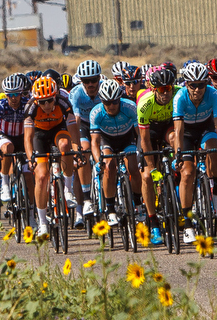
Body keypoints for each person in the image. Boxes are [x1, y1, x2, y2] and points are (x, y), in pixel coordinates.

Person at [173, 61, 217, 244]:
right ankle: (187, 224)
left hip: (206, 128)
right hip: (187, 132)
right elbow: (178, 131)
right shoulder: (179, 97)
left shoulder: (214, 94)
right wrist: (178, 154)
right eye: (193, 85)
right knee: (187, 173)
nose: (197, 90)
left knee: (215, 150)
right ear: (186, 84)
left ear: (207, 84)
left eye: (201, 85)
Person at [24, 75, 79, 238]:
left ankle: (68, 190)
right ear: (36, 101)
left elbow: (73, 129)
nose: (47, 105)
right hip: (39, 135)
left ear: (55, 96)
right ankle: (42, 222)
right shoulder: (30, 108)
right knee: (41, 177)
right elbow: (27, 137)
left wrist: (76, 150)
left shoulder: (63, 103)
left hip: (58, 130)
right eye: (42, 102)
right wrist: (30, 157)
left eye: (49, 100)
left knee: (65, 146)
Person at [90, 78, 142, 228]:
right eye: (107, 103)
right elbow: (94, 142)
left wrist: (140, 152)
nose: (111, 106)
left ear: (120, 99)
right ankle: (111, 209)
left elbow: (139, 134)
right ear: (102, 101)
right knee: (108, 166)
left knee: (133, 167)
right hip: (108, 141)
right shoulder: (96, 113)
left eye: (114, 102)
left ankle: (137, 202)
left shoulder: (130, 107)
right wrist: (98, 160)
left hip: (127, 139)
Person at [137, 65, 179, 246]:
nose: (166, 93)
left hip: (169, 127)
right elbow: (144, 140)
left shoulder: (179, 94)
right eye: (161, 89)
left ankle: (175, 174)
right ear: (153, 89)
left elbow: (180, 129)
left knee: (175, 138)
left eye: (168, 88)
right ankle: (153, 221)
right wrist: (152, 168)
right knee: (146, 176)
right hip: (151, 132)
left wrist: (180, 156)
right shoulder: (144, 103)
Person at [70, 60, 104, 222]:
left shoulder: (105, 88)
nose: (90, 84)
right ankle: (87, 200)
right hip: (83, 125)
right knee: (83, 152)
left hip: (103, 123)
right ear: (81, 81)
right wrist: (75, 146)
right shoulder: (76, 93)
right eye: (86, 81)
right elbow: (75, 121)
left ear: (99, 78)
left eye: (93, 80)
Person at [0, 74, 32, 205]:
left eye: (16, 94)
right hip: (6, 136)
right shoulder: (0, 106)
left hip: (23, 137)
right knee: (7, 148)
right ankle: (4, 182)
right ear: (5, 94)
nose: (13, 98)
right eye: (10, 95)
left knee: (28, 176)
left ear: (22, 93)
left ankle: (32, 212)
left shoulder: (28, 104)